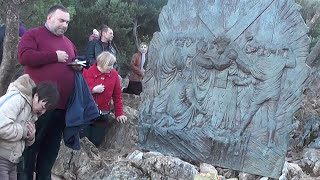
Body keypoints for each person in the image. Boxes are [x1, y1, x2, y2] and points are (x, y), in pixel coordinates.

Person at [17, 5, 80, 180]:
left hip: (61, 109)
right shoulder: (33, 35)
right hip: (38, 107)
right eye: (61, 20)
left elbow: (69, 65)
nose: (65, 24)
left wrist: (77, 67)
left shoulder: (69, 43)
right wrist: (53, 56)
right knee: (30, 150)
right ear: (49, 17)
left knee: (50, 152)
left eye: (67, 21)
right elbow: (24, 56)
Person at [0, 74, 59, 180]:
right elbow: (2, 127)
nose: (43, 112)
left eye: (46, 110)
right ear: (36, 96)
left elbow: (24, 140)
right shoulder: (17, 99)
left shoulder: (32, 112)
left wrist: (30, 137)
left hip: (13, 162)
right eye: (43, 106)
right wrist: (23, 131)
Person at [83, 51, 127, 146]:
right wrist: (92, 90)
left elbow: (117, 95)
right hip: (86, 112)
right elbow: (80, 91)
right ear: (101, 63)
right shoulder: (87, 72)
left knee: (96, 141)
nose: (111, 67)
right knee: (83, 139)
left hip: (103, 113)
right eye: (109, 65)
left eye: (112, 65)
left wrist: (119, 113)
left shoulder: (114, 74)